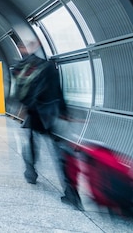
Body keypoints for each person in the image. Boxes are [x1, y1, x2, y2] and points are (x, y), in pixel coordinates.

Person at [12, 41, 82, 210]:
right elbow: (58, 91)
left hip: (33, 112)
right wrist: (65, 112)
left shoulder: (19, 68)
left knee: (30, 142)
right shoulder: (48, 67)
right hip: (50, 113)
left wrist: (24, 107)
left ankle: (30, 173)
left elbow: (18, 92)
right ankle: (71, 193)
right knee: (59, 152)